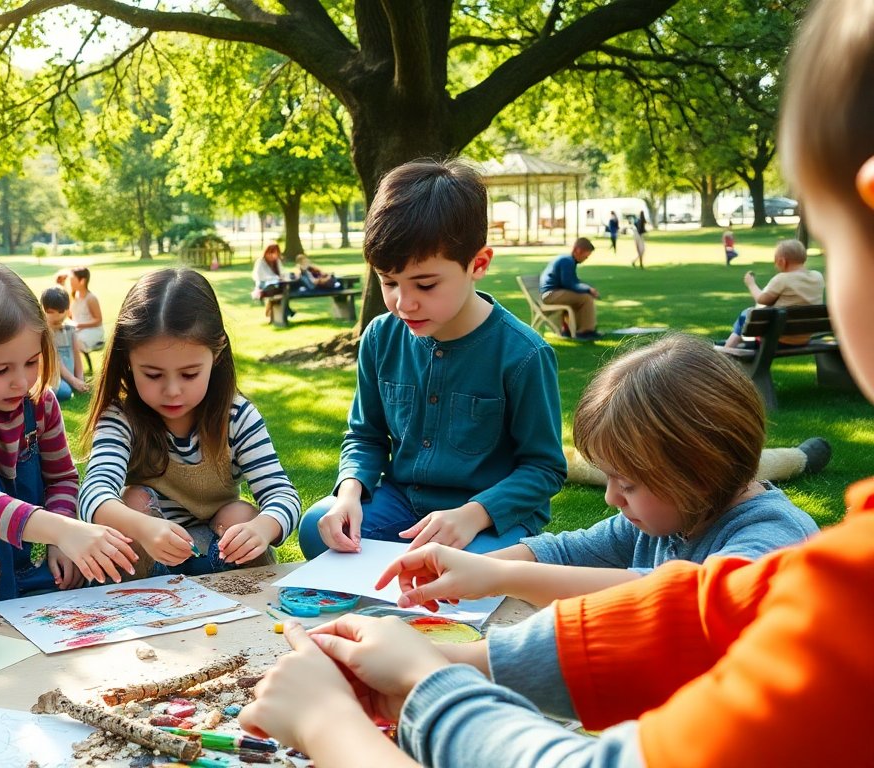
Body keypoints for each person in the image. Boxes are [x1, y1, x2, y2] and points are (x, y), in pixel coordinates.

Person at [239, 2, 874, 763]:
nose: (610, 496)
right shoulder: (683, 530)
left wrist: (349, 718)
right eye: (390, 283)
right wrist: (472, 611)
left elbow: (660, 630)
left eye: (831, 234)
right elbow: (656, 598)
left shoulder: (788, 571)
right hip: (414, 523)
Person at [366, 334, 817, 610]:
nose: (612, 498)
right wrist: (474, 566)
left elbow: (681, 596)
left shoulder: (774, 539)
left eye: (628, 484)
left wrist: (501, 578)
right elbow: (565, 551)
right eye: (610, 478)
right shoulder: (667, 521)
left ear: (698, 472)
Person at [298, 160, 566, 561]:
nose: (403, 303)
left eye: (425, 284)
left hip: (486, 518)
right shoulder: (380, 337)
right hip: (402, 502)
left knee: (468, 570)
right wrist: (349, 493)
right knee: (318, 527)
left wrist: (472, 515)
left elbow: (544, 468)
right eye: (389, 282)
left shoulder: (525, 355)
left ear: (478, 264)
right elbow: (365, 436)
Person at [0, 263, 137, 600]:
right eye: (0, 370)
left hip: (22, 564)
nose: (21, 382)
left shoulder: (40, 404)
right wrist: (63, 531)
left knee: (94, 579)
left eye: (32, 362)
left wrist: (60, 540)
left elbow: (61, 479)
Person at [79, 268, 302, 575]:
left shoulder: (237, 417)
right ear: (128, 360)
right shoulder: (121, 419)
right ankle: (132, 598)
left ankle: (251, 598)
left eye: (189, 374)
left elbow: (282, 494)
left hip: (220, 552)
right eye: (153, 375)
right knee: (134, 502)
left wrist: (263, 528)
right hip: (147, 558)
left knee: (241, 516)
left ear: (217, 353)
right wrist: (142, 527)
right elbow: (93, 494)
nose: (172, 391)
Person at [721, 239, 825, 348]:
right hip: (804, 337)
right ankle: (733, 345)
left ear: (782, 261)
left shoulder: (782, 279)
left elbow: (762, 299)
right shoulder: (817, 276)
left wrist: (751, 284)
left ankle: (726, 350)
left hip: (778, 337)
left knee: (746, 315)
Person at [538, 237, 602, 340]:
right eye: (585, 256)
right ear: (578, 250)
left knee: (582, 297)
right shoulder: (567, 261)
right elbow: (569, 284)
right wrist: (588, 290)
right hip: (551, 294)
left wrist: (587, 287)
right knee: (586, 298)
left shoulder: (567, 259)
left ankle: (573, 329)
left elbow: (573, 282)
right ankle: (585, 331)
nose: (585, 259)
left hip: (551, 293)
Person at [41, 285, 87, 401]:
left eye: (61, 312)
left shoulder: (70, 329)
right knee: (64, 391)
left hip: (70, 374)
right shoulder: (44, 332)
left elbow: (76, 354)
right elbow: (57, 361)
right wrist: (74, 381)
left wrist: (80, 379)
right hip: (54, 377)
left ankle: (72, 383)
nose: (57, 317)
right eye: (51, 312)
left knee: (88, 384)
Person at [251, 243, 291, 323]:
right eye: (270, 253)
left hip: (277, 285)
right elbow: (261, 276)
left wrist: (284, 277)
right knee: (279, 288)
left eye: (275, 253)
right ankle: (286, 311)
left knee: (286, 288)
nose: (272, 255)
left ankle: (277, 309)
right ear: (266, 252)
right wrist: (276, 278)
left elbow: (282, 273)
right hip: (264, 285)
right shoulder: (261, 262)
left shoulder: (277, 261)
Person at [67, 266, 104, 351]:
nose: (70, 282)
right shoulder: (74, 296)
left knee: (73, 341)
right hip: (78, 330)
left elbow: (98, 320)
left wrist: (79, 325)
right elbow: (70, 316)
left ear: (82, 281)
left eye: (72, 280)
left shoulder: (91, 298)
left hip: (91, 331)